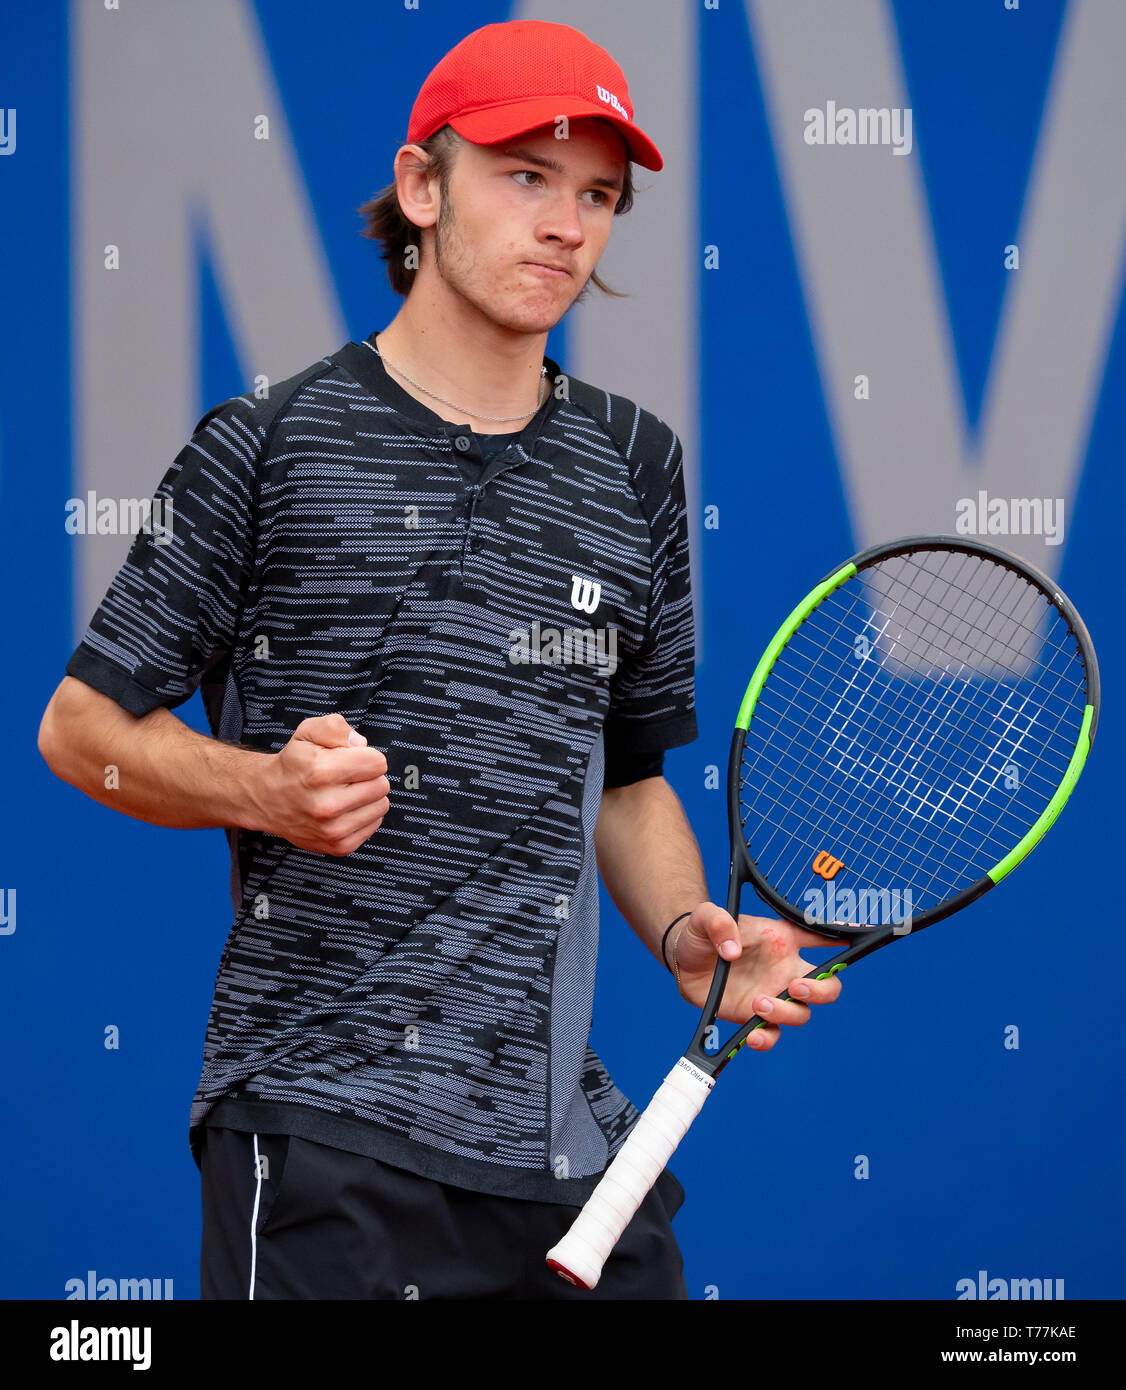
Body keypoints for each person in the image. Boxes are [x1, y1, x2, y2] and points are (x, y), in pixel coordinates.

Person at [37, 19, 842, 1300]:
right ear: (423, 187)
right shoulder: (266, 442)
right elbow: (80, 729)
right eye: (525, 177)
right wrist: (264, 791)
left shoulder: (638, 466)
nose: (567, 226)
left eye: (596, 196)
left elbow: (625, 776)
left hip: (564, 1151)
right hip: (321, 1127)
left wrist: (686, 932)